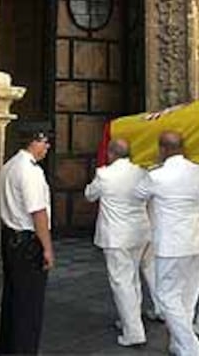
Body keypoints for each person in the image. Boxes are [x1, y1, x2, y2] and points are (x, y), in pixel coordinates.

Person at [135, 131, 199, 356]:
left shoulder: (157, 175)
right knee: (188, 296)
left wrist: (151, 169)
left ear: (162, 149)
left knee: (167, 296)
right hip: (198, 242)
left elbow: (138, 194)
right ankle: (178, 344)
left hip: (172, 245)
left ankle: (190, 348)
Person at [85, 138, 150, 347]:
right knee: (133, 279)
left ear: (111, 153)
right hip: (139, 232)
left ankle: (134, 332)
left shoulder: (104, 174)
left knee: (121, 282)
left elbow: (89, 195)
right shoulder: (141, 172)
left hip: (116, 236)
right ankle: (130, 320)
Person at [0, 124, 54, 355]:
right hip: (28, 243)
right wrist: (48, 248)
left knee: (13, 301)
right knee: (29, 307)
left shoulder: (9, 165)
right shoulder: (30, 171)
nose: (48, 146)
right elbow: (38, 211)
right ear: (34, 140)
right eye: (45, 141)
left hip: (10, 239)